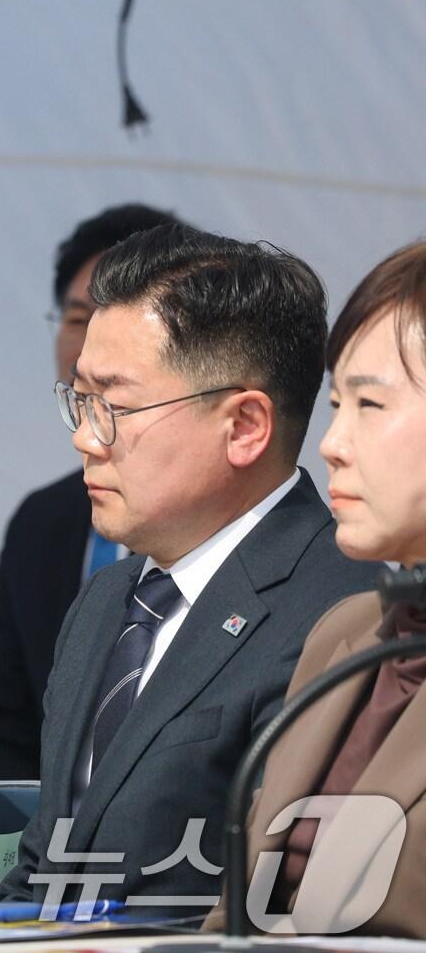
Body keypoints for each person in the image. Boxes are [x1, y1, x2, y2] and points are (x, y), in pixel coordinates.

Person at [2, 225, 378, 913]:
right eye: (80, 401)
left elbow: (281, 900)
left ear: (245, 426)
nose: (85, 437)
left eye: (114, 407)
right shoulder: (106, 600)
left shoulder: (345, 613)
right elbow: (44, 867)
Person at [208, 241, 426, 937]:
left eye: (371, 403)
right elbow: (236, 916)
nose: (332, 442)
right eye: (336, 403)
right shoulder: (349, 631)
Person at [0, 204, 181, 780]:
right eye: (76, 317)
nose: (90, 344)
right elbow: (1, 726)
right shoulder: (40, 524)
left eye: (113, 317)